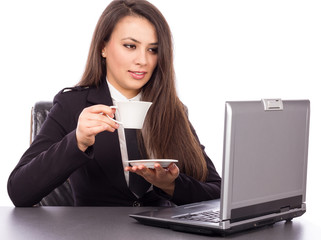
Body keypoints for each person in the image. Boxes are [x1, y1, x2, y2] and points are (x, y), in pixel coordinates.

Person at [7, 0, 221, 207]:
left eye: (152, 49)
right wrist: (78, 141)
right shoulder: (73, 104)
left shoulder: (171, 109)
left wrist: (171, 185)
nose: (143, 60)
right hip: (94, 231)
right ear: (103, 48)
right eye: (130, 46)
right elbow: (20, 192)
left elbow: (216, 191)